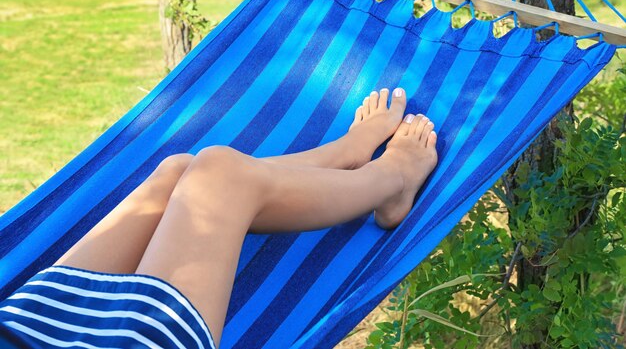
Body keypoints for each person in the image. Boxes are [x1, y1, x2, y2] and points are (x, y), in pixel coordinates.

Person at [0, 87, 438, 349]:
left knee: (179, 172)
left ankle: (345, 156)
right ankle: (393, 178)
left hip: (30, 325)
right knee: (218, 171)